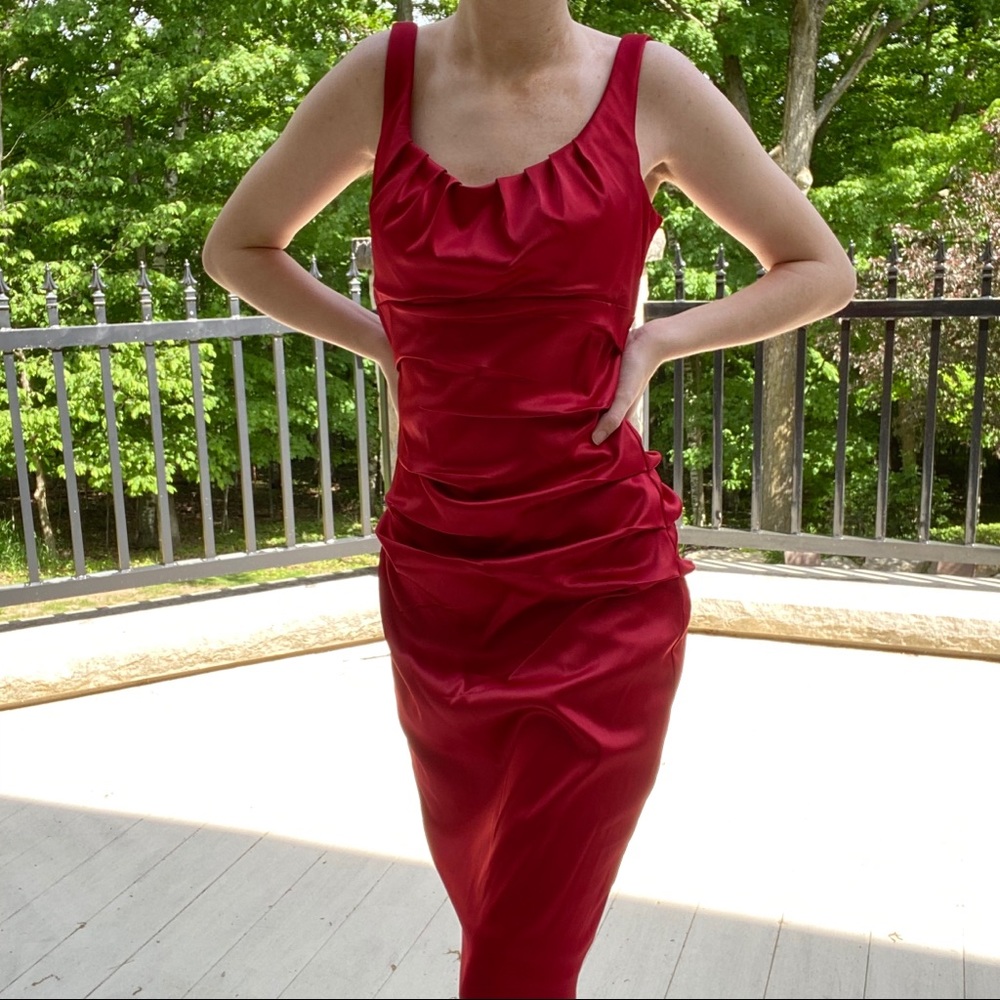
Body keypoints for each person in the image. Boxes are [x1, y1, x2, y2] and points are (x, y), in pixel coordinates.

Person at [203, 3, 856, 997]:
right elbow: (239, 245)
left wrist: (659, 339)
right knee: (495, 913)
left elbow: (821, 267)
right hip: (436, 584)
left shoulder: (654, 84)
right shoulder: (380, 76)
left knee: (516, 959)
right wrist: (386, 339)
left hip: (599, 584)